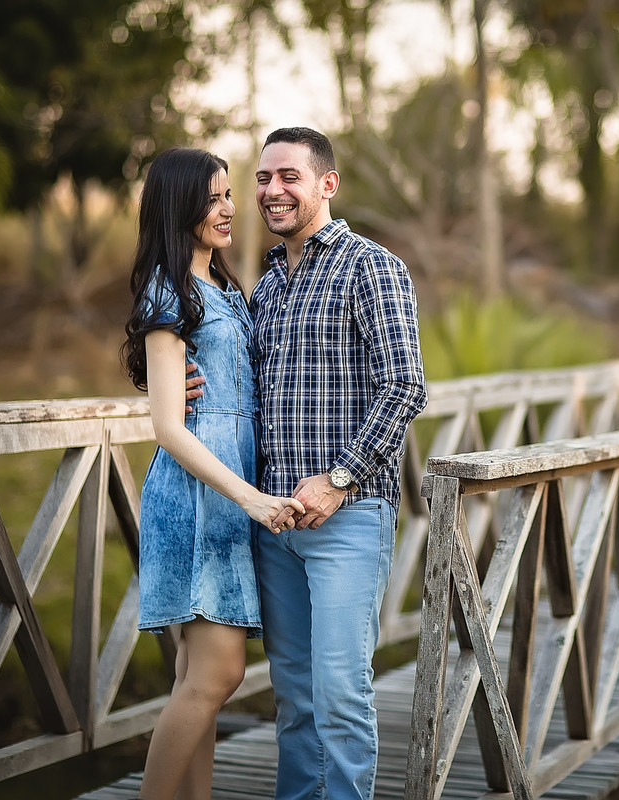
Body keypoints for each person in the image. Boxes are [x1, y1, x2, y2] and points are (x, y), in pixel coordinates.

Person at [190, 126, 427, 800]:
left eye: (288, 176)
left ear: (327, 184)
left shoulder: (370, 266)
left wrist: (340, 479)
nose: (271, 191)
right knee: (294, 700)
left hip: (348, 520)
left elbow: (405, 386)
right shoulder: (265, 285)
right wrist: (167, 382)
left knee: (341, 695)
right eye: (262, 179)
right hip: (276, 525)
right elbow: (226, 373)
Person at [120, 146, 305, 800]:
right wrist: (253, 498)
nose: (230, 208)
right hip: (202, 497)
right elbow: (168, 425)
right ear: (180, 206)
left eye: (231, 195)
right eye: (215, 197)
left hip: (229, 490)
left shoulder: (220, 288)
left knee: (197, 678)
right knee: (216, 676)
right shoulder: (169, 292)